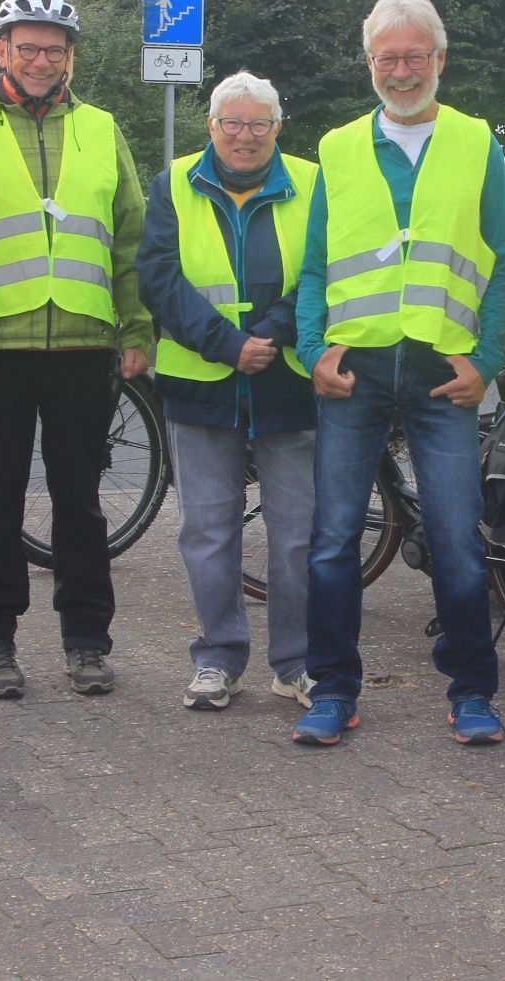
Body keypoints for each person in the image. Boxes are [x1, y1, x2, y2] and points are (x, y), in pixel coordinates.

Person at [292, 0, 505, 746]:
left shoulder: (476, 142)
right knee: (334, 537)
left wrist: (486, 360)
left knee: (457, 537)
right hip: (353, 369)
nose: (400, 71)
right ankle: (332, 687)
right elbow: (315, 263)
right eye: (386, 58)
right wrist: (311, 349)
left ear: (439, 59)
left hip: (441, 371)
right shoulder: (336, 147)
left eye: (414, 56)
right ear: (369, 63)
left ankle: (472, 689)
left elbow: (503, 258)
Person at [0, 0, 153, 699]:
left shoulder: (100, 127)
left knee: (80, 502)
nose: (40, 61)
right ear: (1, 50)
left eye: (54, 50)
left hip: (83, 342)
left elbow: (129, 234)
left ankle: (87, 640)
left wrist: (135, 328)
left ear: (70, 57)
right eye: (27, 48)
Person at [136, 71, 318, 713]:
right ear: (211, 126)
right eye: (232, 124)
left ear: (277, 127)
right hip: (201, 383)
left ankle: (297, 663)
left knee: (297, 534)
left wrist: (269, 334)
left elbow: (324, 271)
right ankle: (217, 658)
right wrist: (226, 344)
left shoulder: (313, 182)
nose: (245, 136)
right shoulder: (173, 183)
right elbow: (158, 277)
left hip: (287, 380)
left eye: (258, 124)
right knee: (208, 531)